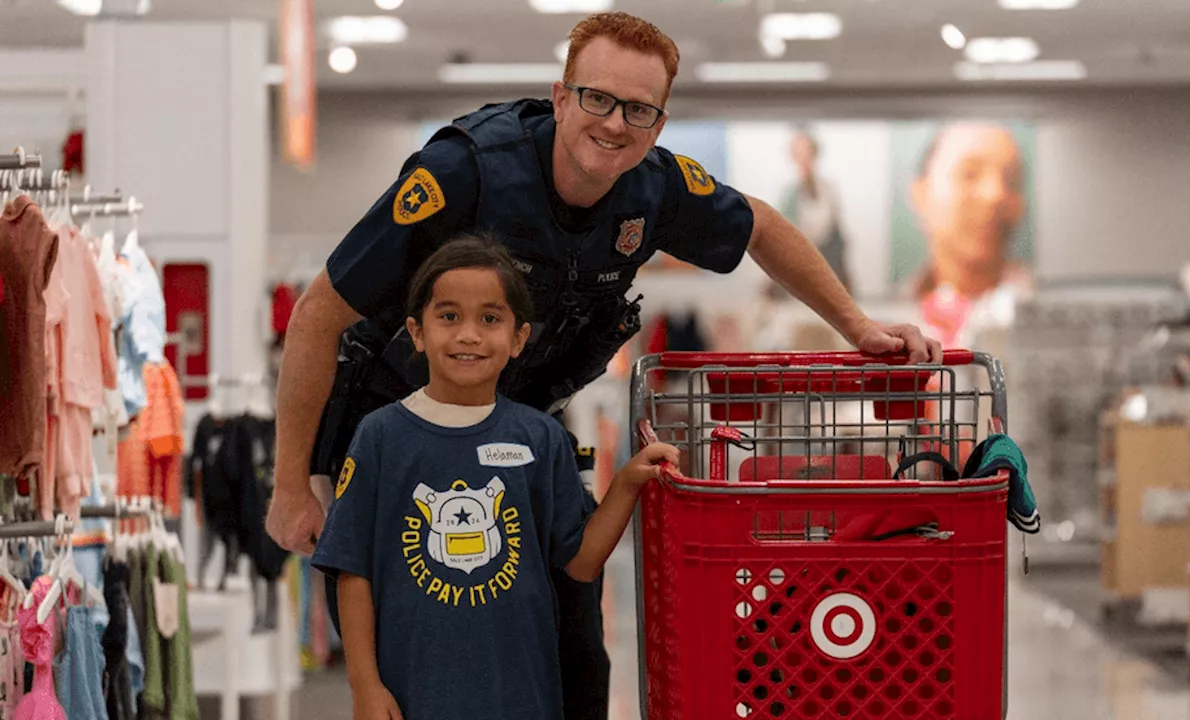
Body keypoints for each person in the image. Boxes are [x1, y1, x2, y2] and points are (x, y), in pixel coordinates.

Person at [266, 11, 941, 719]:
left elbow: (761, 227)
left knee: (576, 662)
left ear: (658, 122)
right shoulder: (463, 172)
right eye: (597, 98)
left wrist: (858, 328)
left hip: (521, 443)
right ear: (560, 97)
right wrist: (290, 485)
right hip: (401, 433)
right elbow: (318, 315)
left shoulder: (656, 189)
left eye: (638, 109)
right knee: (413, 672)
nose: (615, 124)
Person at [310, 237, 679, 720]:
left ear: (519, 337)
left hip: (522, 697)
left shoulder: (541, 438)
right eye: (448, 316)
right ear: (416, 332)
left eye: (489, 318)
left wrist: (628, 482)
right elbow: (352, 572)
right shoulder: (379, 437)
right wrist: (364, 685)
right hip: (413, 697)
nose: (469, 335)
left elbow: (582, 563)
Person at [907, 121, 1034, 347]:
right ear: (921, 194)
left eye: (1011, 180)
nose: (995, 194)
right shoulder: (884, 318)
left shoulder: (1040, 319)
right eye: (970, 174)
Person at [778, 128, 852, 295]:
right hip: (798, 274)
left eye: (807, 152)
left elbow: (835, 235)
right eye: (798, 153)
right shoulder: (790, 194)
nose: (804, 159)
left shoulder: (828, 189)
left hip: (830, 270)